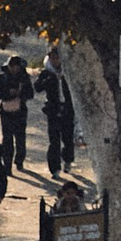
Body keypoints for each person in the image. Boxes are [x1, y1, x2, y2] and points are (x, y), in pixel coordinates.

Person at [39, 45, 76, 180]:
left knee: (68, 138)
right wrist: (50, 79)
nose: (55, 61)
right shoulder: (47, 73)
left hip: (67, 109)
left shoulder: (68, 72)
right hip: (53, 111)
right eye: (52, 58)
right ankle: (54, 168)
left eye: (57, 58)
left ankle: (68, 160)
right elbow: (37, 87)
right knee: (54, 141)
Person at [0, 54, 30, 175]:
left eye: (16, 66)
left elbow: (30, 94)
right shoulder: (1, 78)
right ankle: (7, 165)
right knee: (7, 139)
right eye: (11, 66)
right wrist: (9, 93)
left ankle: (19, 161)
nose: (13, 68)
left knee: (20, 139)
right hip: (6, 112)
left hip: (20, 112)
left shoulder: (24, 78)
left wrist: (20, 93)